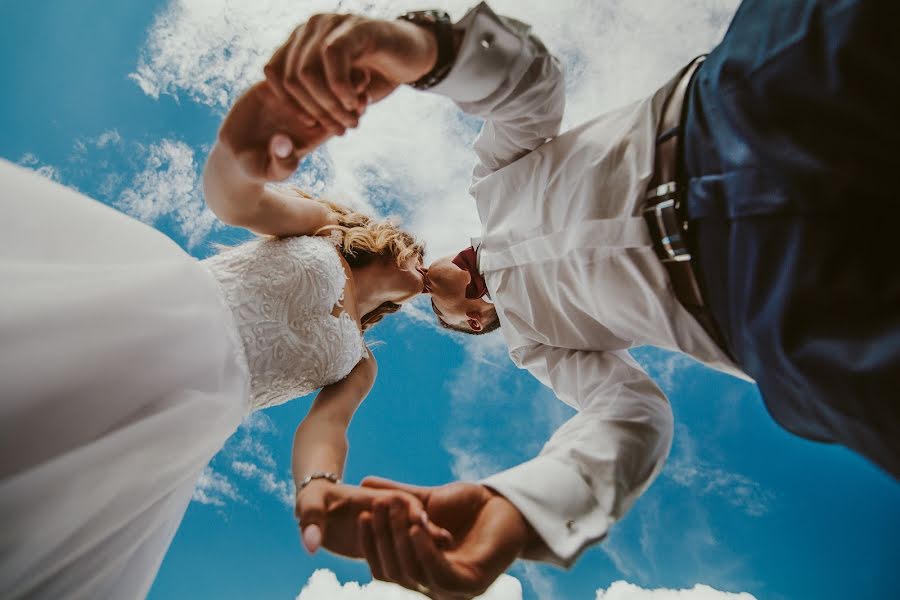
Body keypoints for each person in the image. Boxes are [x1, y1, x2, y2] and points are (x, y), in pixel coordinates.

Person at [259, 1, 899, 598]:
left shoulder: (492, 185)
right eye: (440, 313)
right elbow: (630, 413)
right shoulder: (534, 344)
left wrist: (427, 48)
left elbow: (530, 90)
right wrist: (520, 506)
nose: (430, 291)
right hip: (769, 308)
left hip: (741, 104)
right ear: (475, 319)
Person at [0, 69, 455, 597]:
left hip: (198, 413)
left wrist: (318, 487)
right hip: (165, 315)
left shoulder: (360, 362)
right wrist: (239, 150)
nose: (423, 267)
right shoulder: (323, 228)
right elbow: (237, 200)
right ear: (394, 242)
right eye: (417, 252)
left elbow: (325, 429)